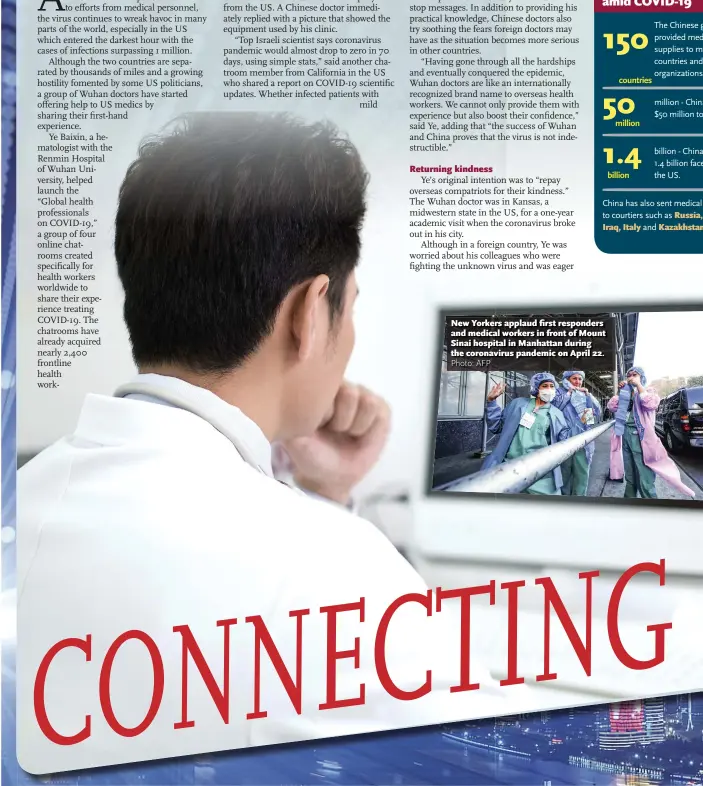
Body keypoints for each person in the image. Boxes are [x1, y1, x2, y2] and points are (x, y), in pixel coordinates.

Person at [17, 113, 515, 775]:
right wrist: (325, 520)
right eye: (351, 304)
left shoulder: (29, 493)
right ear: (310, 313)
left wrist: (323, 494)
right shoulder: (334, 569)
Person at [607, 366, 695, 500]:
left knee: (645, 476)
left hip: (641, 438)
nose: (631, 377)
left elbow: (651, 404)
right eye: (629, 375)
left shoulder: (648, 392)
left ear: (641, 377)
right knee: (630, 475)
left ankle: (650, 505)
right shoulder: (626, 393)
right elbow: (611, 407)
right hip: (624, 435)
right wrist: (621, 392)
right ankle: (628, 504)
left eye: (635, 374)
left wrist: (639, 386)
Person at [480, 372, 569, 495]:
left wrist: (582, 423)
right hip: (508, 468)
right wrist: (491, 402)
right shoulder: (517, 404)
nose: (549, 389)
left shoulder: (557, 414)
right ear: (536, 388)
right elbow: (496, 426)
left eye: (551, 386)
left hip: (540, 473)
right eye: (545, 386)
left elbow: (564, 442)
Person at [552, 369, 602, 496]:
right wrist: (569, 393)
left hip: (583, 441)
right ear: (567, 379)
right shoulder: (559, 392)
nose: (578, 382)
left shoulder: (584, 395)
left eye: (580, 379)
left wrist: (588, 396)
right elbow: (554, 407)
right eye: (574, 378)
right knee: (564, 475)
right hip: (564, 440)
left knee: (582, 475)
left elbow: (591, 417)